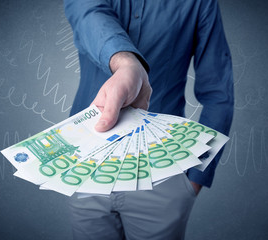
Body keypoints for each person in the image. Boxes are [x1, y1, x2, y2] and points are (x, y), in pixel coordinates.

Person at [64, 0, 234, 239]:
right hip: (85, 167)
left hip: (160, 173)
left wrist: (195, 177)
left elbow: (219, 95)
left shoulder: (200, 3)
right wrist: (126, 64)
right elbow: (90, 17)